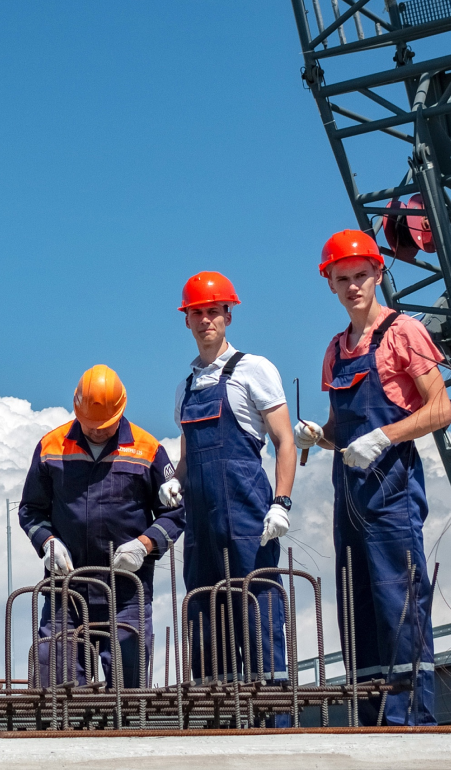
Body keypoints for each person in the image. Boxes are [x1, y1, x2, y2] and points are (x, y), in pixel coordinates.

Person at [293, 230, 451, 726]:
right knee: (357, 606)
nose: (353, 286)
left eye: (361, 275)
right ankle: (372, 718)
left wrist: (385, 436)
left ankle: (412, 719)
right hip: (350, 496)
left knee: (398, 602)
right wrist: (317, 434)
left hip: (392, 493)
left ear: (378, 273)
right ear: (331, 285)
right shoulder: (335, 350)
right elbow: (341, 432)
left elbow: (440, 409)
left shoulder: (404, 332)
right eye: (343, 279)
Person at [159, 271, 296, 692]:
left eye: (214, 312)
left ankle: (272, 727)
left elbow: (285, 440)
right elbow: (187, 459)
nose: (206, 321)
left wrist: (281, 502)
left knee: (258, 620)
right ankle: (218, 728)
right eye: (197, 313)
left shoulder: (253, 370)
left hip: (248, 522)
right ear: (186, 320)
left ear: (228, 316)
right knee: (206, 630)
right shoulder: (185, 388)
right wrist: (173, 481)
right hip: (200, 530)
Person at [18, 364, 185, 688]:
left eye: (104, 426)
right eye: (90, 424)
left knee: (128, 693)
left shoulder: (147, 449)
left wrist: (145, 544)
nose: (96, 431)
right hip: (66, 590)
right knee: (57, 693)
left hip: (125, 592)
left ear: (120, 411)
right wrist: (47, 542)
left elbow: (176, 514)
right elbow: (31, 509)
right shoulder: (52, 447)